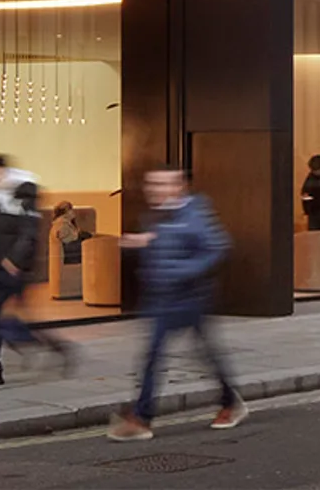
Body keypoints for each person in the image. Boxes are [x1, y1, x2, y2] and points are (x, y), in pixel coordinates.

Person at [110, 168, 245, 442]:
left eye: (163, 183)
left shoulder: (195, 214)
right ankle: (142, 418)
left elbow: (218, 247)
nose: (155, 189)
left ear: (179, 186)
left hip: (191, 298)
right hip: (162, 299)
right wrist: (143, 244)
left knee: (204, 355)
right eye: (152, 183)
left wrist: (183, 272)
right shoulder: (157, 216)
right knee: (153, 357)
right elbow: (163, 247)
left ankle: (230, 403)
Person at [0, 177, 74, 385]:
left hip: (8, 273)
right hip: (3, 272)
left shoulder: (23, 211)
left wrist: (11, 262)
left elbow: (26, 239)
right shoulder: (12, 209)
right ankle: (51, 347)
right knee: (0, 319)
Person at [52, 200, 86, 266]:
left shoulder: (67, 223)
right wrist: (78, 235)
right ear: (65, 212)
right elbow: (65, 239)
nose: (73, 212)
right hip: (71, 252)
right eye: (70, 210)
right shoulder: (61, 224)